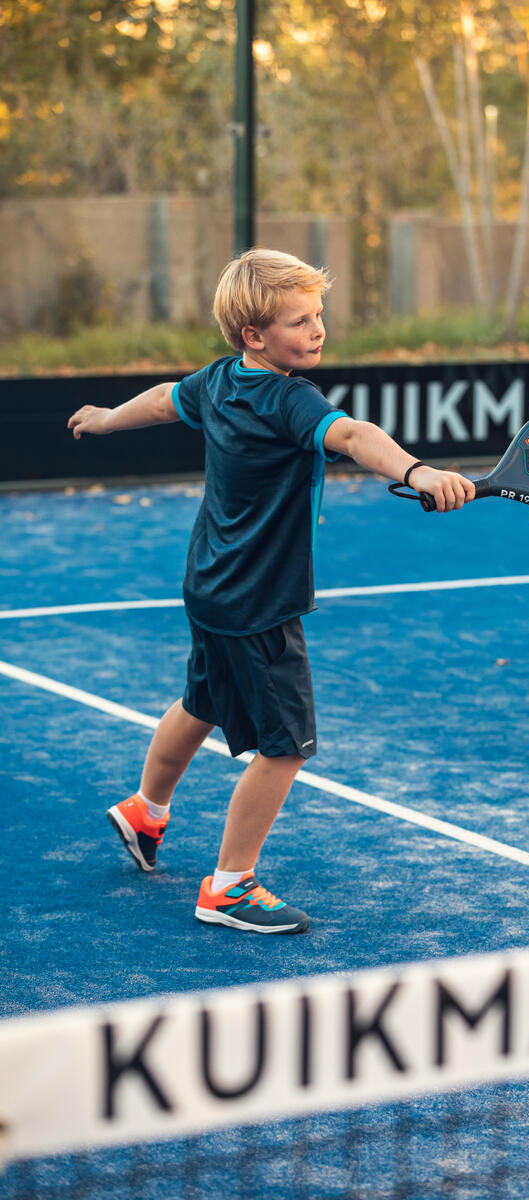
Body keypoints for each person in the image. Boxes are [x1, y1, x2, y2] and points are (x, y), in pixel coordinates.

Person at [67, 247, 475, 935]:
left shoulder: (222, 381)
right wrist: (418, 470)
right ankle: (230, 885)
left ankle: (145, 811)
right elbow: (351, 433)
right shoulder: (291, 398)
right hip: (258, 602)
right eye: (299, 321)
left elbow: (165, 401)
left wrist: (107, 418)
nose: (317, 331)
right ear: (255, 335)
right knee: (285, 745)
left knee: (202, 703)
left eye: (319, 316)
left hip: (210, 585)